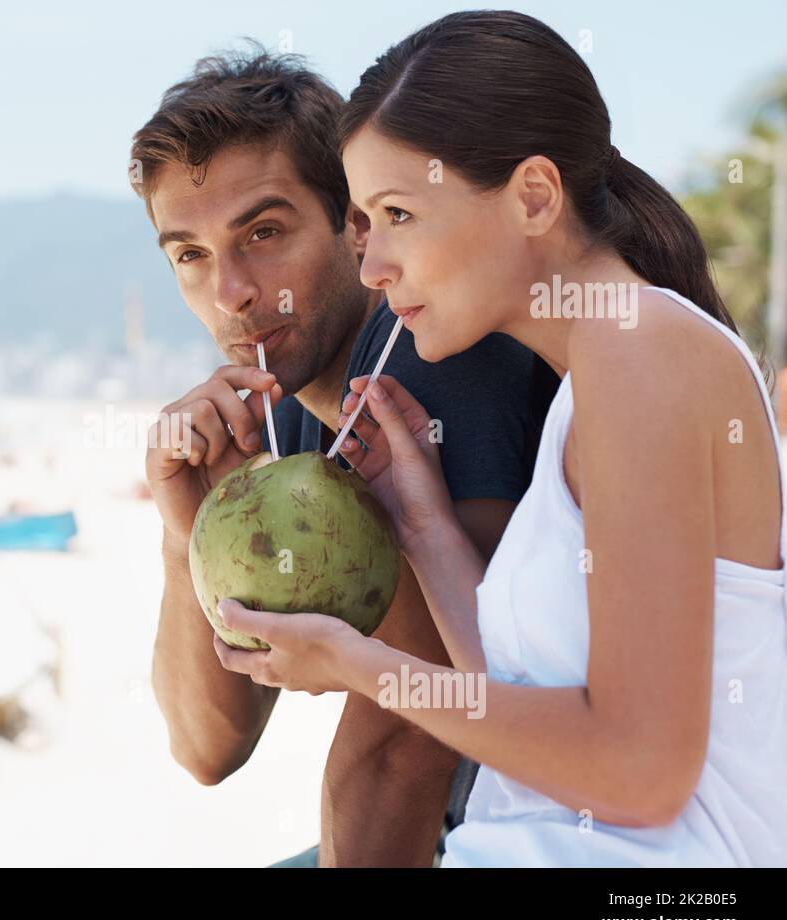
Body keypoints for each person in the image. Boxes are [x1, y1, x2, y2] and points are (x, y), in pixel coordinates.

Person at [213, 11, 787, 866]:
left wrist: (359, 664)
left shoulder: (640, 351)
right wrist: (422, 523)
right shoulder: (602, 367)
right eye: (364, 223)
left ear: (533, 197)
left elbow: (639, 771)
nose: (373, 268)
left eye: (399, 213)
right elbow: (537, 707)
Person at [131, 46, 557, 866]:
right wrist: (186, 532)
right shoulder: (285, 410)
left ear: (352, 224)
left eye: (263, 232)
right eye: (190, 254)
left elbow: (401, 751)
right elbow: (208, 746)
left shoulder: (430, 363)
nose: (232, 293)